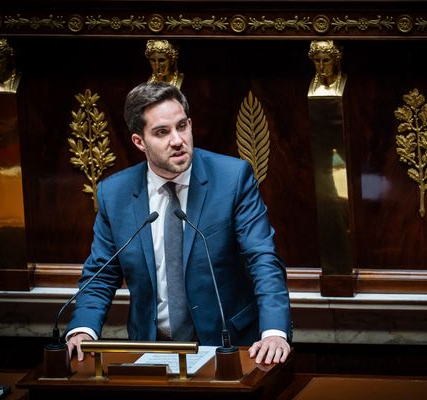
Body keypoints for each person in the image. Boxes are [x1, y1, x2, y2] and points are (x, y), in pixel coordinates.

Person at [66, 82, 292, 366]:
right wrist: (83, 328)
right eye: (162, 132)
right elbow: (101, 274)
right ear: (139, 141)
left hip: (230, 346)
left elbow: (263, 259)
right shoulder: (115, 194)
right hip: (151, 349)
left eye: (182, 126)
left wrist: (274, 332)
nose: (177, 140)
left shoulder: (233, 178)